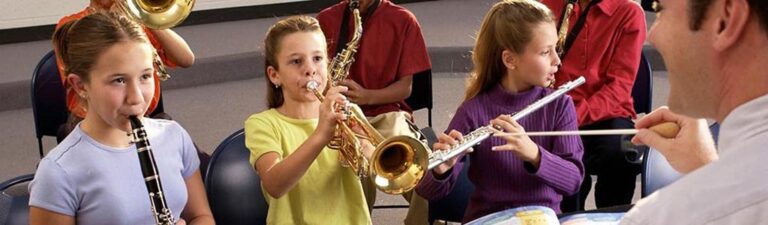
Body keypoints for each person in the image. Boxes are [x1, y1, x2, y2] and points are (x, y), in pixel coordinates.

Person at [28, 12, 213, 225]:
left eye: (145, 76)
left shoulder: (174, 136)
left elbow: (201, 216)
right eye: (119, 80)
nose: (136, 98)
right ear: (80, 86)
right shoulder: (58, 171)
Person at [415, 0, 584, 223]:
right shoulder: (474, 110)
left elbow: (573, 181)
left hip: (542, 218)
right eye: (545, 52)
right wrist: (442, 169)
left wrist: (533, 153)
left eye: (556, 48)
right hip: (489, 219)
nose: (557, 61)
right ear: (510, 60)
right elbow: (428, 192)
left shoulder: (559, 106)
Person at [619, 0, 768, 223]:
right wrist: (706, 169)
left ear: (725, 20)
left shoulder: (664, 218)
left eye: (661, 10)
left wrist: (707, 189)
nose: (653, 36)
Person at [245, 16, 371, 225]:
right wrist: (322, 133)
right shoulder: (262, 124)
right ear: (274, 75)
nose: (310, 69)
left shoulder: (347, 113)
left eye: (318, 58)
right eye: (296, 61)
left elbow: (383, 173)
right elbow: (275, 185)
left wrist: (367, 149)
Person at [316, 0, 432, 223]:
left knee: (426, 173)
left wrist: (367, 96)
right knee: (356, 168)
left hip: (388, 112)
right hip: (343, 115)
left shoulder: (403, 19)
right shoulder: (326, 19)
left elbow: (405, 88)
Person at [540, 0, 647, 211]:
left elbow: (619, 88)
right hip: (555, 109)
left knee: (620, 154)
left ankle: (611, 216)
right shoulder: (546, 5)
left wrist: (571, 117)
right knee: (560, 161)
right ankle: (568, 214)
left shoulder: (628, 12)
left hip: (606, 112)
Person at [54, 0, 195, 137]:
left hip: (140, 115)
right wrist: (112, 24)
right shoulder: (73, 25)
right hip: (93, 120)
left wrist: (146, 17)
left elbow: (186, 59)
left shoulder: (134, 24)